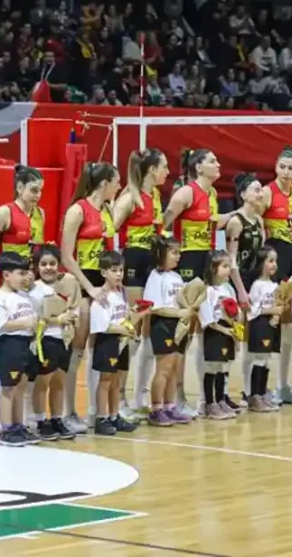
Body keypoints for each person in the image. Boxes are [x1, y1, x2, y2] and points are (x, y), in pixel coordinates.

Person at [59, 162, 120, 434]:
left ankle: (97, 412)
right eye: (116, 182)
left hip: (102, 282)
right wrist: (89, 288)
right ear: (104, 183)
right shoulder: (77, 210)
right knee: (78, 348)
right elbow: (66, 256)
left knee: (100, 347)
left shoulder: (107, 210)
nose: (119, 187)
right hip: (83, 282)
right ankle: (67, 411)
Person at [0, 164, 45, 434]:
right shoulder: (4, 213)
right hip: (11, 286)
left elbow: (35, 252)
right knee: (7, 359)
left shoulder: (40, 214)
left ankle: (22, 420)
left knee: (26, 358)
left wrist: (30, 279)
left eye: (40, 191)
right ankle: (1, 421)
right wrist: (8, 276)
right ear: (19, 187)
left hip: (29, 286)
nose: (37, 196)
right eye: (33, 190)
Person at [161, 148, 221, 417]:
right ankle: (176, 396)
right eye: (212, 161)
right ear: (198, 168)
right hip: (186, 264)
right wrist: (165, 262)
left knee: (202, 329)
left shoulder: (213, 195)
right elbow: (163, 225)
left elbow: (212, 226)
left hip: (205, 263)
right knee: (182, 332)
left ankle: (206, 398)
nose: (218, 164)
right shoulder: (186, 193)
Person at [115, 149, 168, 421]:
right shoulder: (129, 198)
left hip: (151, 263)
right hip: (133, 262)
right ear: (151, 170)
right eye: (164, 167)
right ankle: (120, 396)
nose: (167, 172)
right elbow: (108, 230)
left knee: (148, 329)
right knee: (132, 328)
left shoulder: (156, 197)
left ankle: (140, 395)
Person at [260, 146, 292, 405]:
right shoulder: (267, 192)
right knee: (271, 320)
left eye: (291, 168)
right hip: (275, 259)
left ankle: (283, 385)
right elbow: (256, 223)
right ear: (275, 168)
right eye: (282, 167)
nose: (286, 172)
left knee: (290, 322)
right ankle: (261, 386)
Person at [25, 245, 76, 441]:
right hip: (45, 340)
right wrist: (57, 320)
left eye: (52, 263)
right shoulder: (34, 289)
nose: (49, 268)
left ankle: (57, 418)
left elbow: (74, 309)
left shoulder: (68, 285)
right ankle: (39, 420)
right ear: (37, 267)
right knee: (42, 382)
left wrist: (71, 319)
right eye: (44, 264)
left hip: (64, 340)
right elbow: (35, 318)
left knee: (59, 382)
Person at [0, 251, 38, 447]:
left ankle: (18, 425)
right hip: (10, 345)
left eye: (26, 273)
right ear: (6, 275)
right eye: (20, 273)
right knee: (8, 387)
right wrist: (23, 324)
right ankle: (6, 428)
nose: (25, 277)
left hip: (26, 344)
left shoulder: (23, 296)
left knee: (20, 387)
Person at [88, 251, 139, 434]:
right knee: (106, 380)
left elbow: (123, 318)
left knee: (117, 380)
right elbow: (102, 327)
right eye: (114, 271)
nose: (119, 274)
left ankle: (114, 415)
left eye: (121, 270)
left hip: (122, 341)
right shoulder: (101, 298)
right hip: (107, 342)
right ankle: (101, 418)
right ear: (103, 273)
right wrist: (122, 330)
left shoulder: (120, 294)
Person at [225, 172, 265, 403]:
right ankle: (223, 392)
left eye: (261, 189)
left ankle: (252, 391)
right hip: (238, 283)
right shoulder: (235, 222)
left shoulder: (259, 221)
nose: (260, 193)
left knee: (255, 340)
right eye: (256, 189)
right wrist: (241, 290)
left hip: (255, 283)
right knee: (236, 341)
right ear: (243, 195)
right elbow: (232, 261)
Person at [143, 235, 189, 427]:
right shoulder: (155, 277)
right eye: (174, 252)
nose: (178, 257)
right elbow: (155, 307)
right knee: (163, 369)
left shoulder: (177, 277)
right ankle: (156, 409)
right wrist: (179, 312)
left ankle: (170, 406)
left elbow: (182, 299)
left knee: (175, 369)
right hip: (163, 324)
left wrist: (189, 307)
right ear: (161, 254)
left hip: (178, 324)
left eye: (179, 252)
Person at [198, 251, 239, 420]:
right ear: (213, 268)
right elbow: (208, 320)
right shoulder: (207, 291)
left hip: (228, 331)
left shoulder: (228, 289)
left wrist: (235, 328)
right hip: (214, 332)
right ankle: (210, 403)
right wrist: (226, 329)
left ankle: (221, 399)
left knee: (224, 367)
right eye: (224, 266)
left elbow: (235, 312)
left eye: (229, 266)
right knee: (212, 368)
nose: (228, 269)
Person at [245, 246, 282, 413]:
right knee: (259, 359)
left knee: (266, 359)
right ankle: (255, 396)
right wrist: (272, 311)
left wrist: (277, 315)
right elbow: (253, 309)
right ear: (261, 263)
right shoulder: (257, 285)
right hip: (259, 324)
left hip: (271, 325)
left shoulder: (274, 285)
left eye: (275, 261)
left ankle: (263, 393)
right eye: (270, 261)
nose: (274, 265)